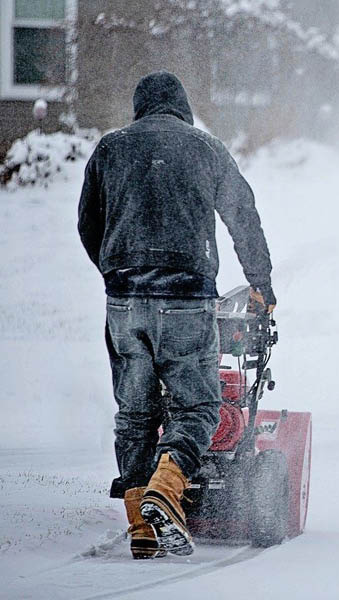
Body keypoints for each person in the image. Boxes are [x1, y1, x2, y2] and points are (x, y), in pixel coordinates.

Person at [77, 71, 276, 559]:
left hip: (124, 299)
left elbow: (87, 222)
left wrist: (115, 270)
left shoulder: (110, 148)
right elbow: (242, 214)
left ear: (139, 108)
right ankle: (165, 492)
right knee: (197, 408)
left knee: (136, 414)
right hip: (187, 298)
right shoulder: (205, 148)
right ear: (182, 109)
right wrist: (261, 284)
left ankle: (140, 527)